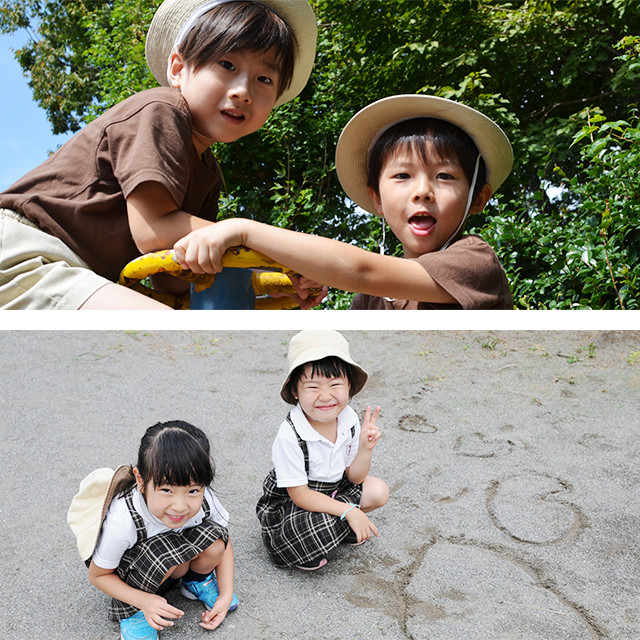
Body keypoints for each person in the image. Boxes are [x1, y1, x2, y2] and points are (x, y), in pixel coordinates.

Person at [0, 0, 317, 309]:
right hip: (26, 250)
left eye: (264, 79)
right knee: (169, 334)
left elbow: (174, 277)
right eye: (227, 65)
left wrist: (280, 277)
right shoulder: (161, 111)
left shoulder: (207, 174)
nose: (243, 91)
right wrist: (279, 251)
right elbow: (154, 231)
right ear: (179, 68)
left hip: (78, 272)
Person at [173, 94, 515, 309]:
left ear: (478, 198)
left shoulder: (475, 262)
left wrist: (242, 230)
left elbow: (362, 271)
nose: (422, 191)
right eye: (402, 176)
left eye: (444, 176)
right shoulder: (373, 299)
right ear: (376, 199)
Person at [87, 421, 237, 639]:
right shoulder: (123, 519)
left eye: (193, 490)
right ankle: (136, 613)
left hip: (176, 562)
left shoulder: (204, 499)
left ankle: (196, 581)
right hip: (140, 577)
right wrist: (143, 601)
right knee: (160, 554)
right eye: (167, 489)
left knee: (215, 538)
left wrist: (226, 593)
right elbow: (98, 575)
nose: (180, 505)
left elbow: (223, 540)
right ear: (140, 479)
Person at [256, 330, 389, 570]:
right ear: (295, 390)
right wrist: (349, 510)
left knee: (378, 490)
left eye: (335, 384)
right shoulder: (290, 435)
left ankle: (341, 525)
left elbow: (354, 477)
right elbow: (300, 495)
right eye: (313, 387)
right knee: (320, 529)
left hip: (335, 489)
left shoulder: (348, 418)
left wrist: (365, 449)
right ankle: (337, 528)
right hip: (294, 503)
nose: (325, 396)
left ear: (349, 385)